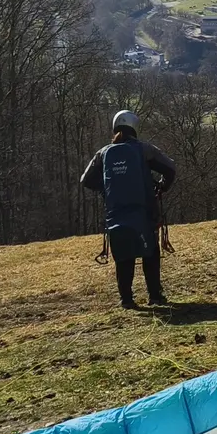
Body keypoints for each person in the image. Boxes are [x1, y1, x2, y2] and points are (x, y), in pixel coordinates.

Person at [81, 109, 177, 308]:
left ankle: (126, 299)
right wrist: (161, 187)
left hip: (116, 213)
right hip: (144, 212)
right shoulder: (144, 149)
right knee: (150, 252)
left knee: (123, 255)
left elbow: (86, 179)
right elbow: (170, 168)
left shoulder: (104, 153)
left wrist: (106, 189)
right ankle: (155, 296)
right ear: (134, 127)